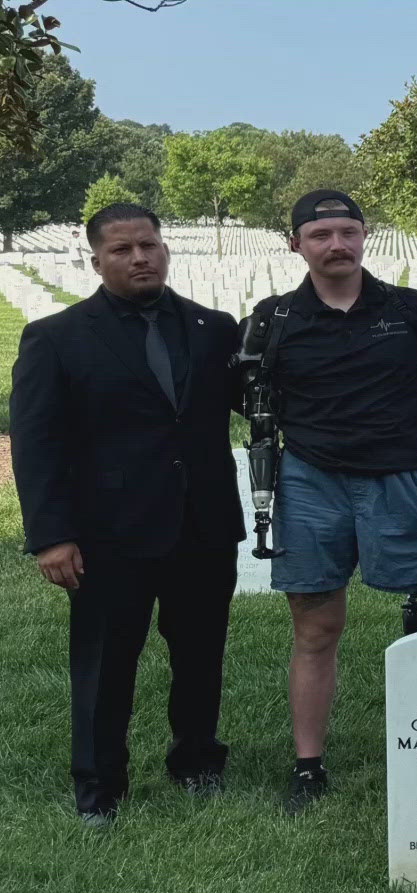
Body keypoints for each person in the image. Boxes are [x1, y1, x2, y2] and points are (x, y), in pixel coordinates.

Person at [10, 203, 242, 824]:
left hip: (202, 524)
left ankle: (196, 760)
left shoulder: (213, 327)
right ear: (97, 260)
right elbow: (36, 445)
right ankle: (99, 786)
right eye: (122, 249)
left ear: (165, 249)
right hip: (108, 530)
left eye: (149, 245)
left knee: (200, 653)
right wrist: (51, 536)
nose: (139, 257)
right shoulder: (57, 338)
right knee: (106, 661)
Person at [258, 190, 417, 814]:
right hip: (310, 480)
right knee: (315, 626)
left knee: (416, 614)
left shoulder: (406, 308)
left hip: (400, 475)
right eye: (321, 236)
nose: (336, 244)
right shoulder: (274, 318)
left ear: (365, 236)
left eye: (349, 232)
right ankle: (309, 765)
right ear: (297, 244)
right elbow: (250, 399)